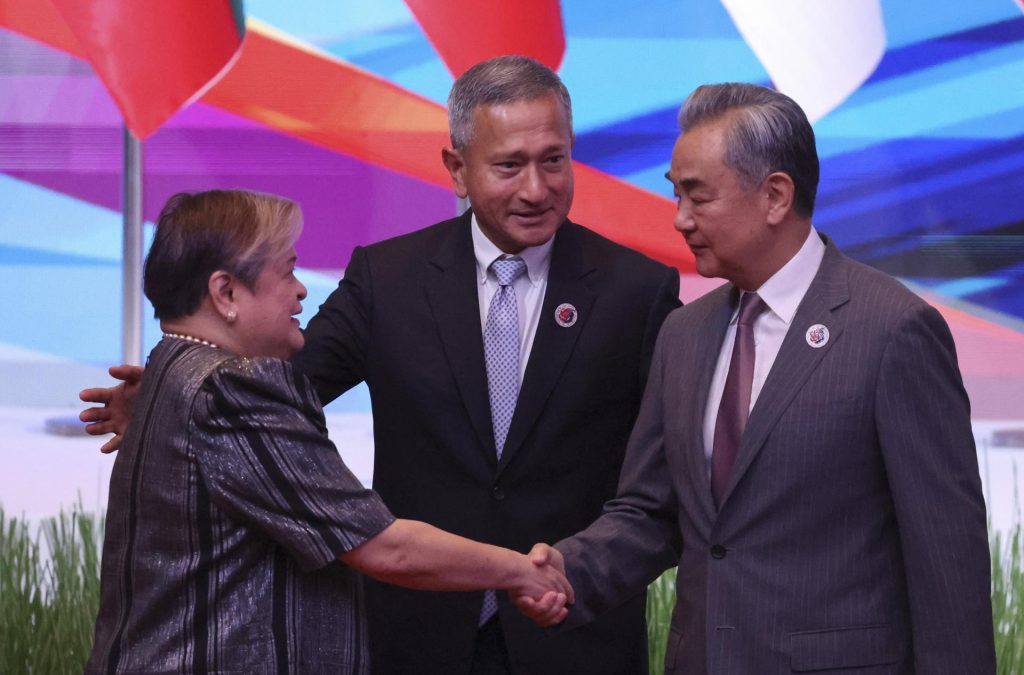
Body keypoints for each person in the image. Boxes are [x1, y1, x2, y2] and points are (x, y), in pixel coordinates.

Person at [81, 56, 681, 674]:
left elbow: (665, 484)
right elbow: (278, 387)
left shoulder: (638, 291)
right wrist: (173, 399)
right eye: (509, 165)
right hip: (414, 640)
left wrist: (578, 573)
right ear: (457, 169)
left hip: (574, 636)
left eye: (553, 160)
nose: (536, 188)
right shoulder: (386, 278)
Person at [517, 83, 996, 674]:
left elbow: (946, 555)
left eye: (698, 197)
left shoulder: (892, 330)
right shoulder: (683, 333)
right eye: (676, 195)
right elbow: (651, 510)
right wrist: (567, 571)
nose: (679, 219)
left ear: (775, 196)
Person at [84, 190, 571, 675]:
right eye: (287, 271)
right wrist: (520, 570)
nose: (300, 290)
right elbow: (386, 548)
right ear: (226, 293)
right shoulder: (233, 389)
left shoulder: (169, 368)